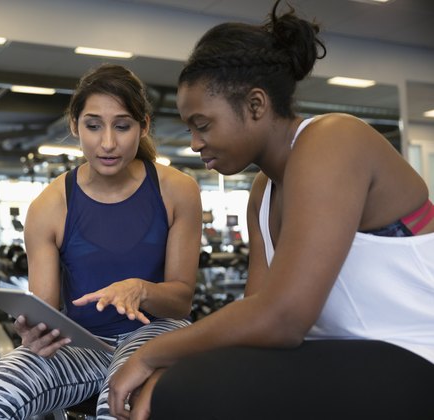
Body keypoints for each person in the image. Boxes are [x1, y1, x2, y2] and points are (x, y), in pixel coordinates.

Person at [108, 1, 434, 419]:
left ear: (257, 105)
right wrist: (171, 361)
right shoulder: (263, 193)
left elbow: (284, 317)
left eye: (203, 125)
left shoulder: (333, 140)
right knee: (185, 382)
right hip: (345, 352)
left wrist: (152, 355)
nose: (193, 142)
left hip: (417, 348)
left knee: (190, 389)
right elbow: (257, 318)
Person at [0, 64, 202, 419]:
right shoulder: (49, 205)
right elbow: (44, 308)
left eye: (122, 126)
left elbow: (182, 301)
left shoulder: (178, 190)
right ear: (75, 126)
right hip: (85, 344)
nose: (108, 142)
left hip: (159, 330)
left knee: (116, 402)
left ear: (144, 126)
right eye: (93, 126)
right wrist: (33, 331)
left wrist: (142, 289)